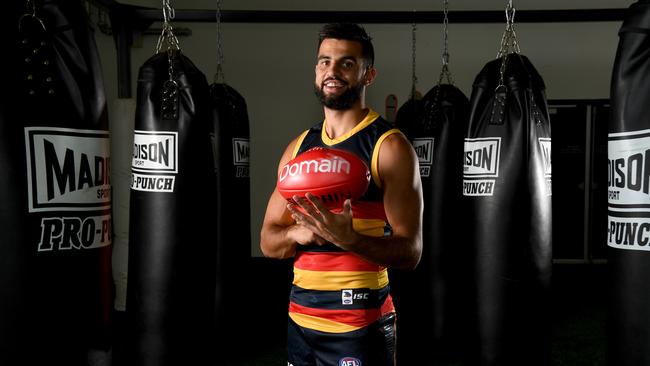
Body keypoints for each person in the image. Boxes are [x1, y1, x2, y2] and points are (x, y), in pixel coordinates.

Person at [260, 22, 423, 366]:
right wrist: (297, 232)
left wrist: (349, 239)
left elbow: (411, 251)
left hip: (359, 326)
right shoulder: (298, 149)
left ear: (369, 75)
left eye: (346, 63)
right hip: (300, 323)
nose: (331, 71)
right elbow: (268, 242)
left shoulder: (388, 147)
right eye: (324, 62)